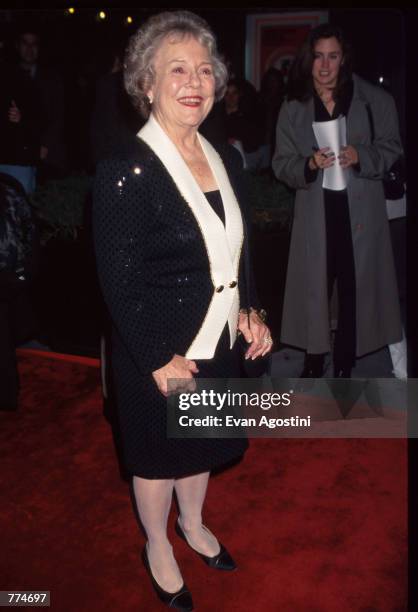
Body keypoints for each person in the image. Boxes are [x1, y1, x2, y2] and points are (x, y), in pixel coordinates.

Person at [93, 11, 272, 611]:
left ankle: (192, 525)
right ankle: (156, 544)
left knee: (202, 445)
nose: (194, 81)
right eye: (177, 69)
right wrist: (153, 358)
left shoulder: (225, 159)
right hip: (161, 349)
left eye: (203, 69)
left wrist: (252, 311)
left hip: (215, 339)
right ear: (147, 81)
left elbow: (239, 250)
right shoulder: (126, 170)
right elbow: (117, 280)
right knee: (159, 459)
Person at [272, 23, 402, 378]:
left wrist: (361, 155)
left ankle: (346, 357)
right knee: (315, 283)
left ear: (344, 59)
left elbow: (393, 148)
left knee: (353, 283)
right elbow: (280, 163)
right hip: (316, 211)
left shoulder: (375, 100)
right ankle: (314, 356)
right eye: (318, 57)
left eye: (333, 56)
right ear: (308, 60)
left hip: (360, 209)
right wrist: (309, 164)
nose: (325, 66)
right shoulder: (293, 107)